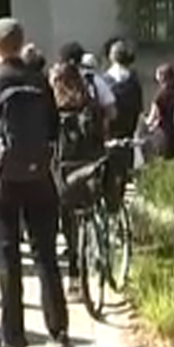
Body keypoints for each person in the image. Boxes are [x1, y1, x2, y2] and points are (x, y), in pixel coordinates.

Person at [0, 17, 71, 347]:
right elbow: (55, 130)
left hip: (2, 180)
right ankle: (59, 330)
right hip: (40, 176)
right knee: (45, 254)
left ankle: (14, 339)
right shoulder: (40, 80)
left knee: (8, 256)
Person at [50, 59, 106, 294]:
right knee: (91, 213)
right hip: (90, 169)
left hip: (63, 172)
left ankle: (74, 277)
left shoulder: (52, 108)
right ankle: (97, 255)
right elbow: (100, 136)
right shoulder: (90, 104)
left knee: (69, 226)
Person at [102, 40, 144, 202]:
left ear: (112, 57)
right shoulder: (133, 81)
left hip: (110, 134)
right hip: (128, 132)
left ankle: (111, 202)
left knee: (109, 172)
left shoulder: (105, 80)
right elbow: (139, 109)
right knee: (124, 171)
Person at [144, 64, 174, 161]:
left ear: (162, 77)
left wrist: (144, 122)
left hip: (164, 133)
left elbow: (151, 119)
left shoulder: (159, 96)